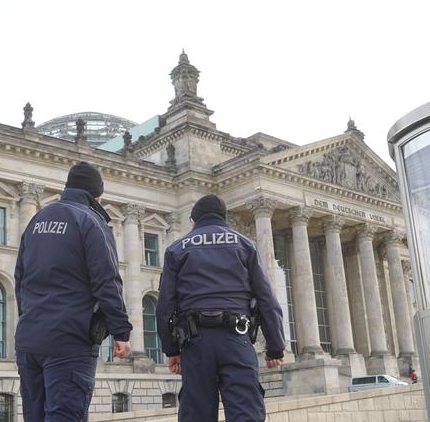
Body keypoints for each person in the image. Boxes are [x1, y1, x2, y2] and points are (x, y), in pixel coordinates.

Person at [15, 161, 133, 421]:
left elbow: (20, 279)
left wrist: (30, 318)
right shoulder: (91, 221)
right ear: (97, 195)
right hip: (69, 340)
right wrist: (121, 332)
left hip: (29, 340)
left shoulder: (37, 220)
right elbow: (107, 281)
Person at [157, 195, 286, 422]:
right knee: (246, 414)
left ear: (193, 220)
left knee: (196, 415)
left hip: (194, 343)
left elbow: (164, 306)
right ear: (224, 218)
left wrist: (171, 350)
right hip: (236, 339)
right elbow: (266, 299)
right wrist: (275, 348)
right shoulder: (245, 245)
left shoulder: (176, 249)